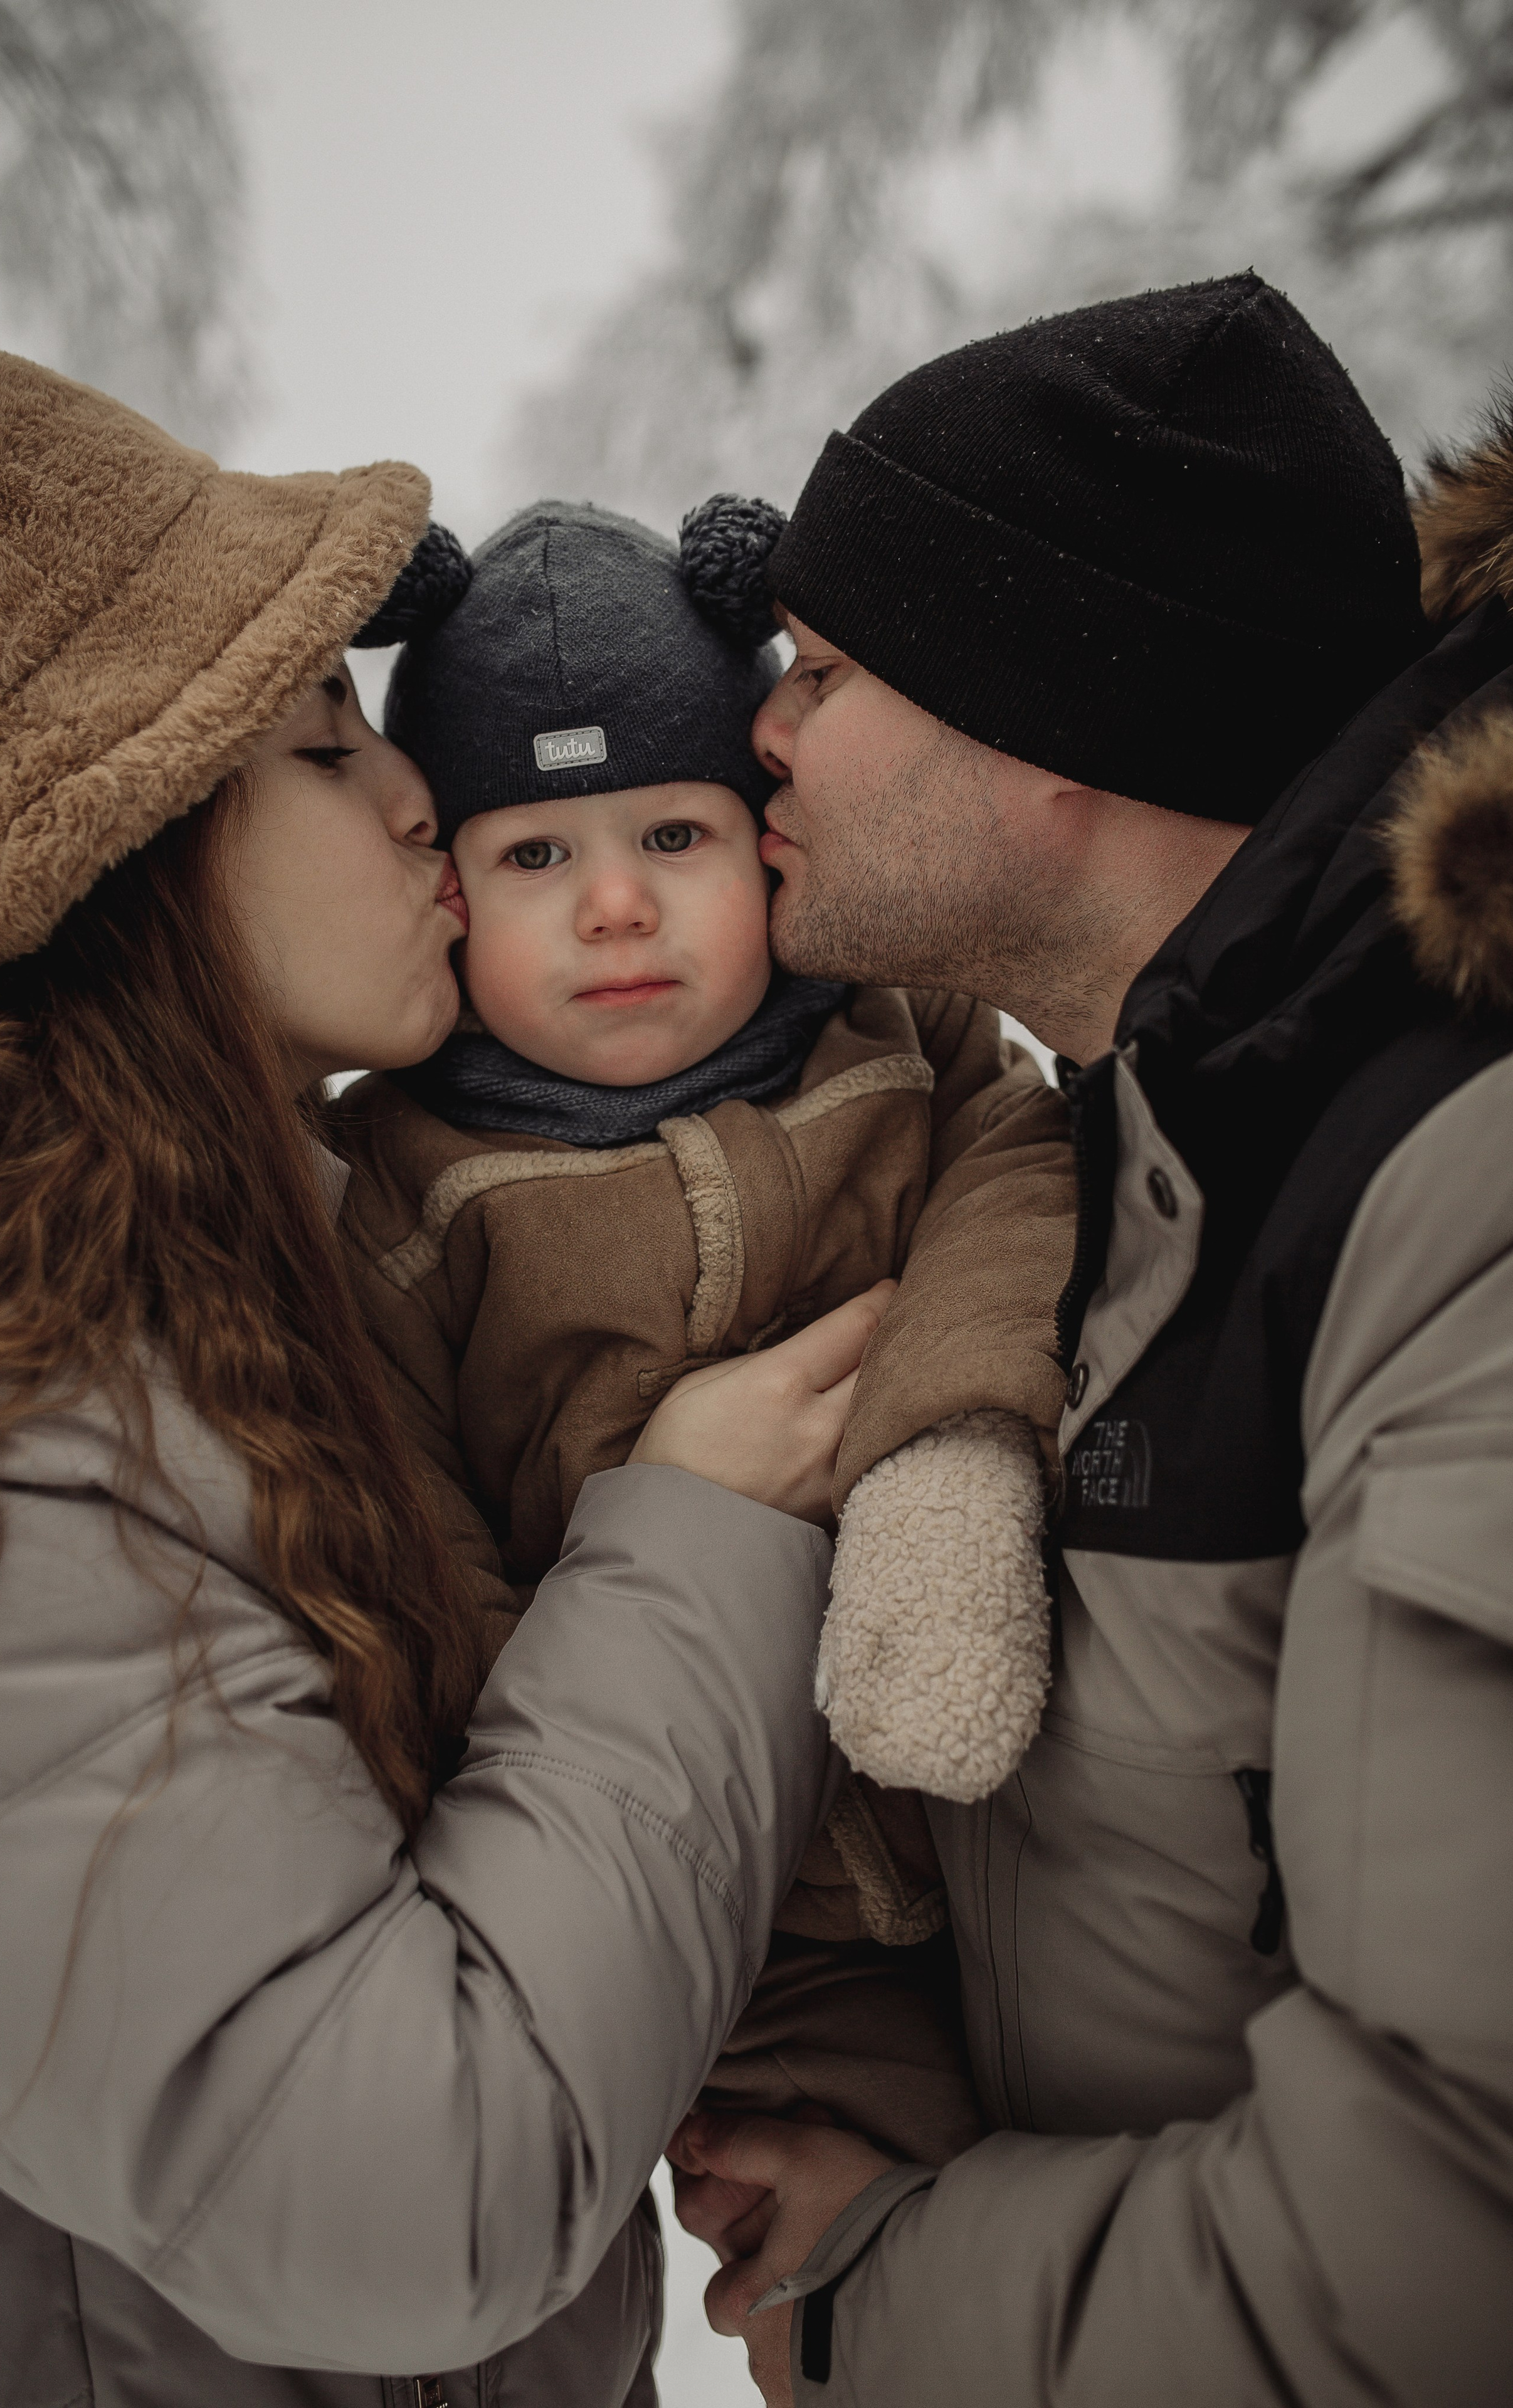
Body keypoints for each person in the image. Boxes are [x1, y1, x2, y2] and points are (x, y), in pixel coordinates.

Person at [0, 346, 890, 2408]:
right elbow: (401, 2196)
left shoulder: (231, 1289)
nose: (417, 796)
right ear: (113, 842)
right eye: (313, 739)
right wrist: (702, 1539)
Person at [670, 271, 1513, 2405]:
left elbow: (1454, 2232)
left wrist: (885, 2283)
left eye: (830, 671)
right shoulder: (1124, 1151)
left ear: (1064, 732)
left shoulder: (1452, 1197)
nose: (758, 722)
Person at [328, 495, 1075, 2163]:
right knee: (859, 2244)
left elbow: (1029, 1184)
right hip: (746, 1921)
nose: (614, 909)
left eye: (674, 838)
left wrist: (943, 1445)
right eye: (536, 854)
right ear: (444, 886)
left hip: (1037, 1801)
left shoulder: (906, 1040)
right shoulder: (404, 1192)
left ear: (765, 838)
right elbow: (419, 1560)